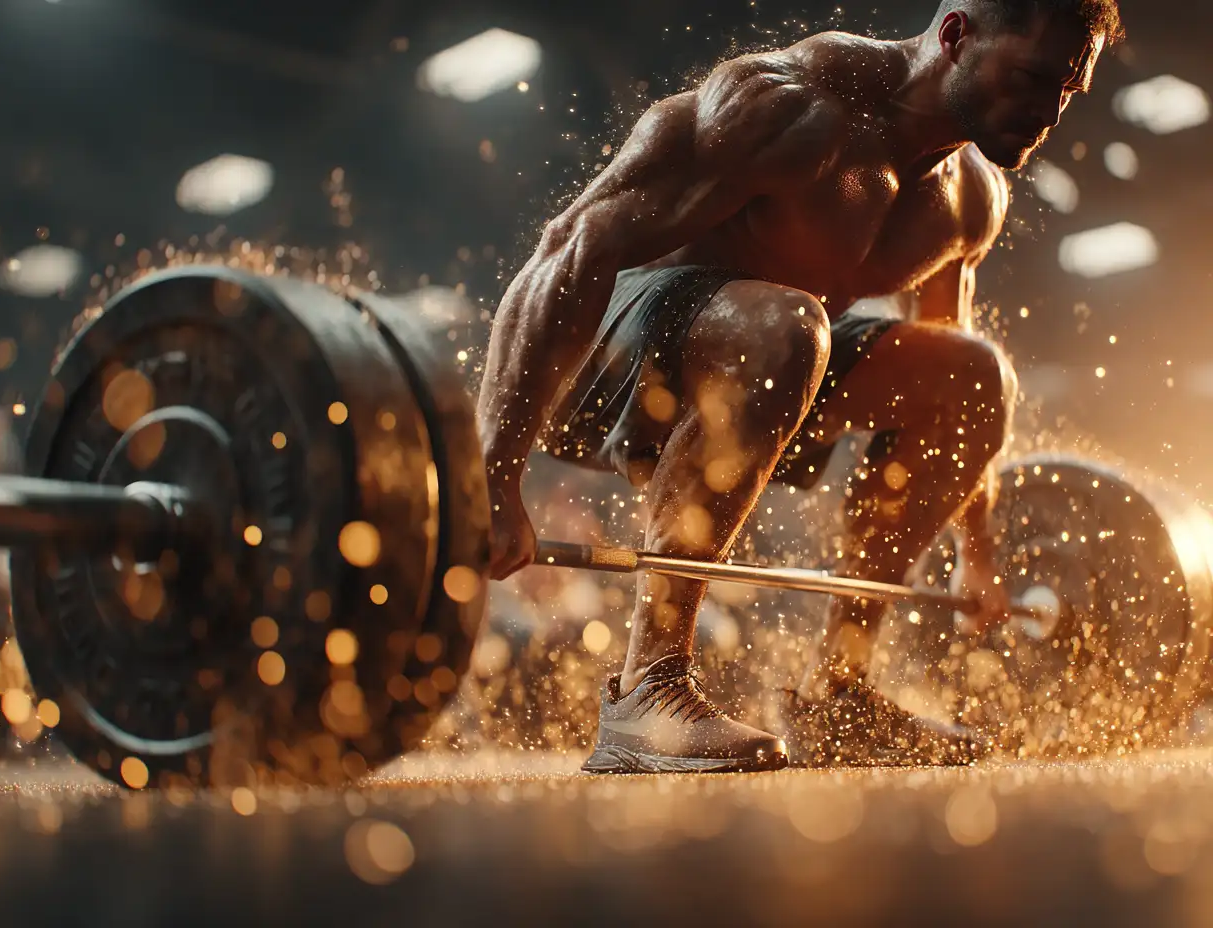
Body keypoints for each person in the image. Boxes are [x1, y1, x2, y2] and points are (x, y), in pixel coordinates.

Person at [476, 0, 1123, 773]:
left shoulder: (970, 197)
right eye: (1029, 77)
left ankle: (838, 690)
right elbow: (569, 246)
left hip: (773, 365)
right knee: (790, 326)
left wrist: (976, 554)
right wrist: (494, 470)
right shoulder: (793, 105)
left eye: (1065, 91)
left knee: (973, 373)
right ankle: (645, 692)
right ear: (956, 36)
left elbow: (957, 380)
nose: (1047, 111)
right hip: (606, 361)